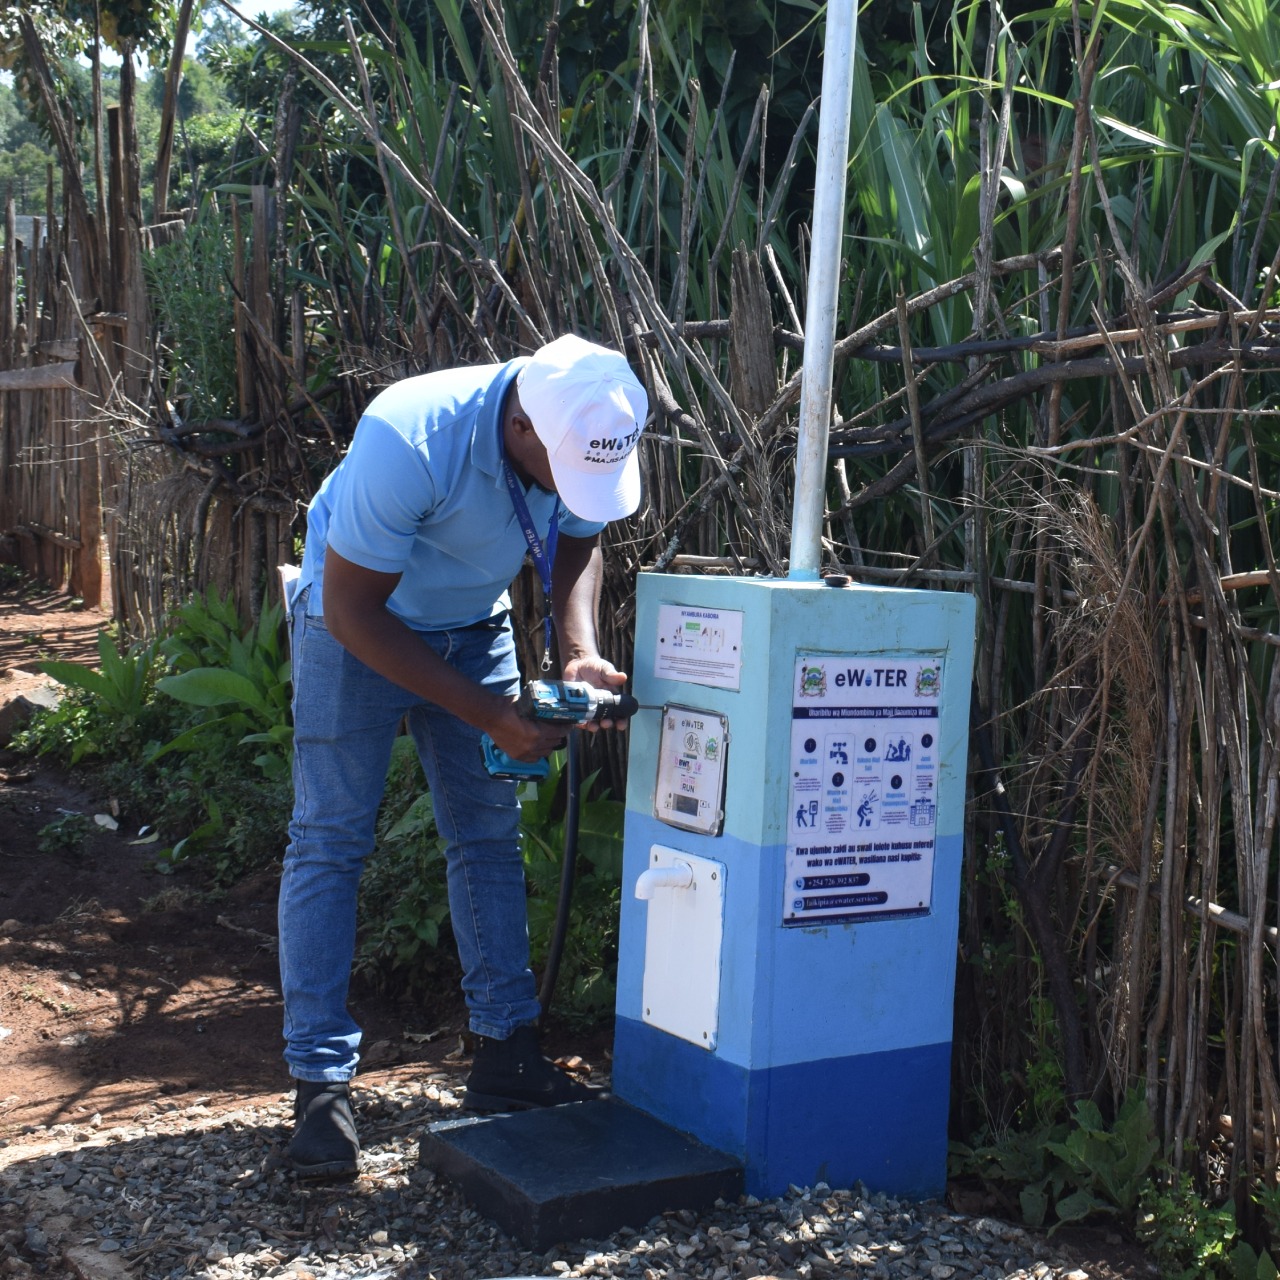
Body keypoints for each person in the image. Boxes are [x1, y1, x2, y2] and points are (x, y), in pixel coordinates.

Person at [279, 333, 649, 1178]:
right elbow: (351, 611)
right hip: (355, 626)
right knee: (332, 840)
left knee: (486, 835)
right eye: (563, 471)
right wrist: (491, 715)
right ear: (520, 426)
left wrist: (577, 649)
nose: (575, 489)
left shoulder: (593, 420)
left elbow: (579, 533)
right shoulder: (408, 436)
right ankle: (321, 1088)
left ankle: (505, 1054)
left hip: (472, 623)